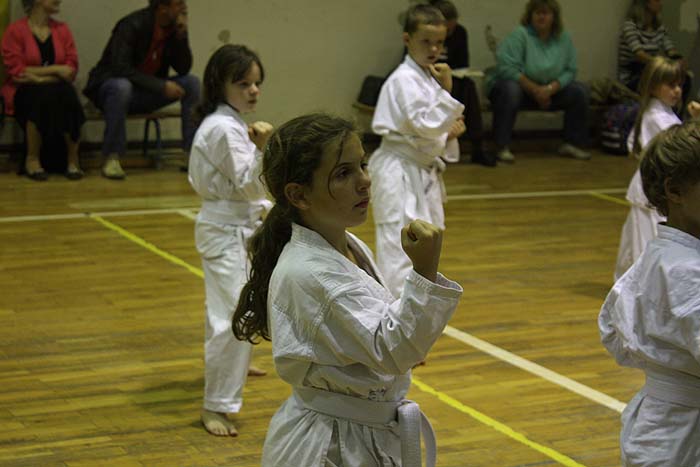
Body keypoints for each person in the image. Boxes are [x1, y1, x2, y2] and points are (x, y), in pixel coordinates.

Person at [231, 113, 463, 467]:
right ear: (299, 194)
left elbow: (378, 335)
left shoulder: (346, 244)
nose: (365, 181)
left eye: (363, 165)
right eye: (343, 173)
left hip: (360, 430)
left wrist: (404, 341)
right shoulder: (310, 273)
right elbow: (392, 349)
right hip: (331, 445)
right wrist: (424, 271)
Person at [599, 121, 700, 466]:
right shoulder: (685, 271)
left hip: (661, 422)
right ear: (675, 191)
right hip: (680, 435)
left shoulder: (661, 256)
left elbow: (613, 333)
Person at [188, 44, 272, 437]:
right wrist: (262, 151)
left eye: (256, 83)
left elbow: (249, 190)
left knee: (227, 309)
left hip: (233, 227)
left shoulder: (229, 121)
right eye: (243, 83)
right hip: (225, 231)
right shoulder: (223, 128)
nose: (253, 90)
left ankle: (237, 363)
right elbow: (248, 183)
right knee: (232, 318)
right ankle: (215, 406)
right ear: (220, 85)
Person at [369, 4, 465, 298]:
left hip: (420, 171)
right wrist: (447, 98)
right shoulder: (402, 79)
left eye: (439, 42)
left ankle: (413, 312)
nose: (434, 48)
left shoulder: (425, 77)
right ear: (407, 39)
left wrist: (447, 132)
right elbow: (423, 125)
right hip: (397, 171)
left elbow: (434, 129)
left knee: (424, 246)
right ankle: (392, 314)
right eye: (426, 41)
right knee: (398, 250)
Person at [83, 0, 200, 180]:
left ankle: (190, 154)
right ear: (163, 7)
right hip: (111, 91)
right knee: (122, 86)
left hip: (144, 93)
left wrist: (181, 36)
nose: (183, 7)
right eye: (178, 3)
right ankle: (112, 157)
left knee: (191, 83)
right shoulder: (131, 25)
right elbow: (120, 68)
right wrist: (160, 86)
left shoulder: (174, 30)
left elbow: (183, 68)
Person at [614, 56, 700, 279]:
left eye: (680, 85)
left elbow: (632, 144)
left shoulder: (656, 114)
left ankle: (633, 280)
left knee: (636, 242)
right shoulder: (658, 117)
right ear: (653, 86)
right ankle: (645, 280)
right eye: (670, 85)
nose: (677, 90)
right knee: (646, 243)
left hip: (648, 186)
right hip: (653, 190)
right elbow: (682, 148)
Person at [486, 0, 590, 163]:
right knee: (509, 90)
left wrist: (549, 89)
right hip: (522, 89)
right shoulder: (520, 34)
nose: (541, 16)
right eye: (538, 12)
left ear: (554, 17)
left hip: (551, 92)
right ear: (530, 15)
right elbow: (507, 68)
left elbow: (570, 70)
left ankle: (572, 143)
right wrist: (536, 90)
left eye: (546, 13)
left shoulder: (564, 38)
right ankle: (502, 146)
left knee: (580, 91)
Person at [1, 0, 85, 181]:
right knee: (39, 96)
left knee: (69, 95)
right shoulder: (15, 31)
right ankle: (32, 159)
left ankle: (72, 160)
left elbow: (70, 68)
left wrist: (40, 77)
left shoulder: (62, 30)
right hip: (23, 90)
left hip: (55, 88)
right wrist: (56, 70)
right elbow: (17, 71)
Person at [429, 0, 496, 167]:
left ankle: (477, 145)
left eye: (452, 28)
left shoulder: (460, 33)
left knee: (469, 88)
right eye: (447, 29)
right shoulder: (426, 34)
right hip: (428, 78)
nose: (449, 33)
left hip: (452, 76)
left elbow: (463, 63)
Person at [617, 0, 690, 103]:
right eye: (657, 0)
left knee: (684, 77)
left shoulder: (658, 28)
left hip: (651, 70)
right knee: (662, 81)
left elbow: (670, 48)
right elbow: (639, 54)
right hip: (633, 75)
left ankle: (676, 114)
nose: (661, 3)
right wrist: (661, 64)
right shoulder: (630, 26)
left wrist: (679, 61)